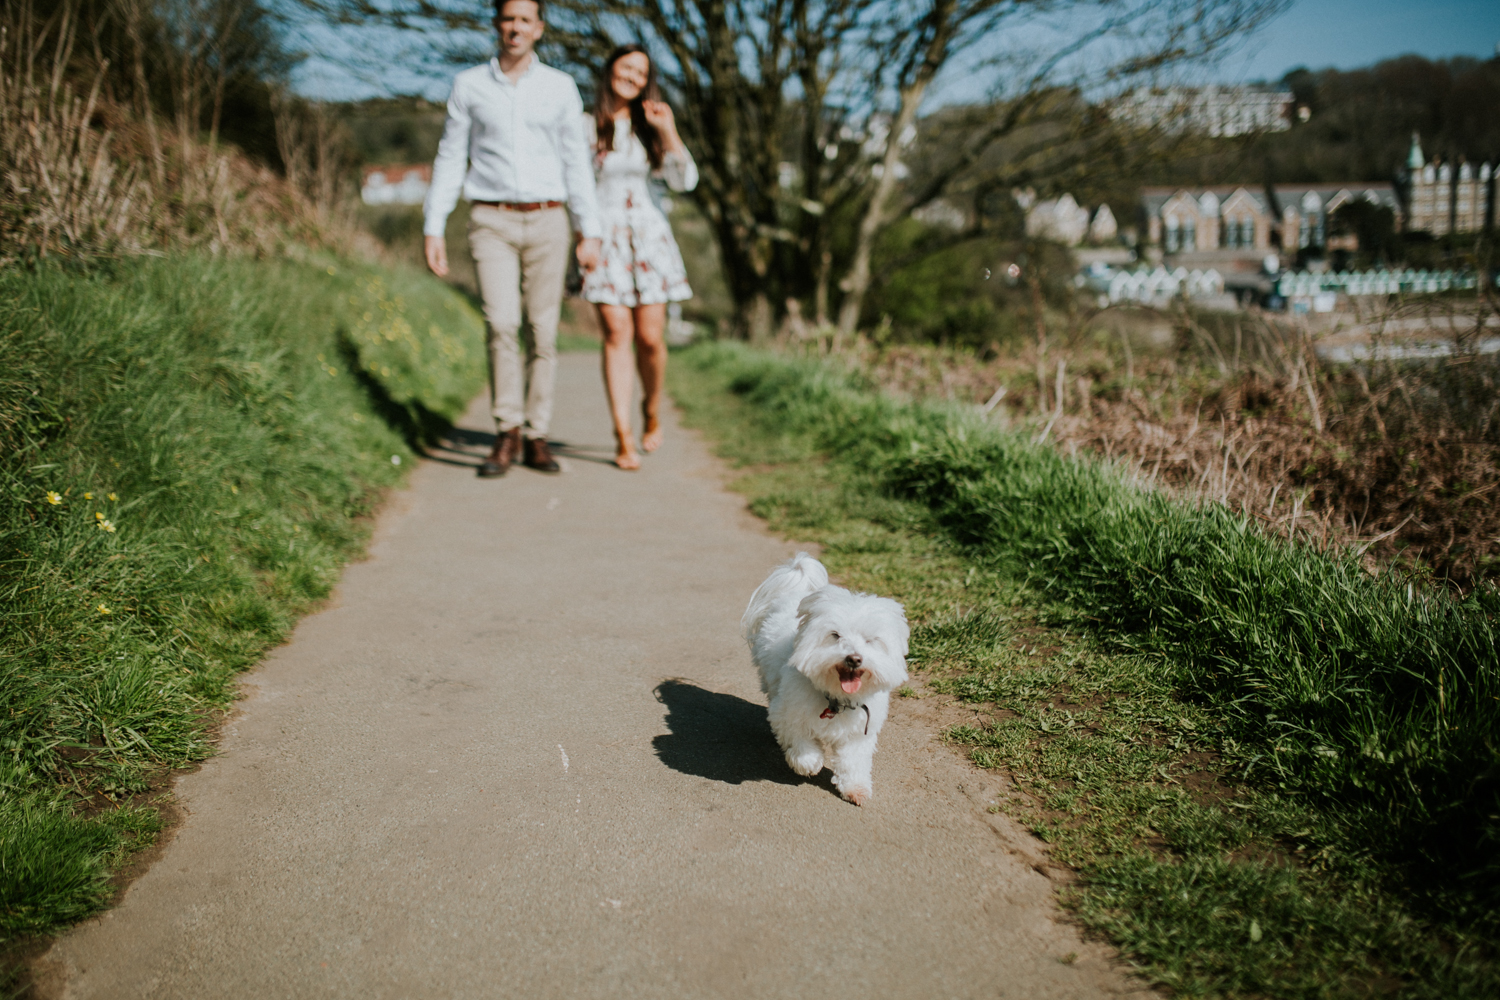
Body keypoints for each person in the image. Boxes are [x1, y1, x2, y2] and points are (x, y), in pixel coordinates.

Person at [423, 0, 602, 477]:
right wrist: (433, 224)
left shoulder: (560, 87)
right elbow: (449, 156)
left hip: (549, 220)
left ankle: (537, 435)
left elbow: (575, 163)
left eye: (525, 19)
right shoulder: (469, 86)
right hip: (491, 221)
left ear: (539, 28)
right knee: (501, 324)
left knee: (542, 330)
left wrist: (591, 231)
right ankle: (507, 432)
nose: (515, 27)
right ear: (497, 26)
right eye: (508, 19)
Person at [582, 45, 699, 470]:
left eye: (641, 71)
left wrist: (668, 130)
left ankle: (651, 410)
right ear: (611, 68)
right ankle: (622, 435)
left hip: (650, 240)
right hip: (603, 239)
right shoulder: (584, 126)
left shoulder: (651, 126)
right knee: (616, 334)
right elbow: (576, 186)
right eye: (626, 66)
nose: (632, 75)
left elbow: (685, 180)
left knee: (650, 338)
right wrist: (583, 235)